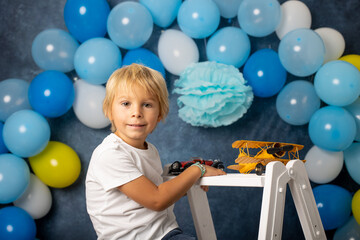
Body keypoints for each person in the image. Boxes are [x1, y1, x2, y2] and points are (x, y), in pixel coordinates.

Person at [85, 63, 226, 240]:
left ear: (160, 114)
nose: (136, 112)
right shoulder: (110, 154)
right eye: (126, 103)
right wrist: (197, 169)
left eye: (147, 104)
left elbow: (151, 192)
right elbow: (156, 200)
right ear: (108, 110)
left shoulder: (149, 149)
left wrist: (189, 182)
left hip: (164, 232)